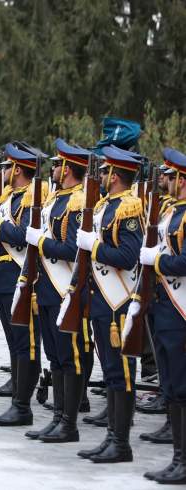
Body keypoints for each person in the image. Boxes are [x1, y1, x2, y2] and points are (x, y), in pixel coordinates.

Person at [75, 145, 143, 461]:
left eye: (104, 171)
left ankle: (121, 443)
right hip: (102, 298)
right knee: (111, 371)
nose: (100, 176)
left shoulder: (128, 208)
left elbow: (128, 258)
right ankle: (112, 437)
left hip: (117, 301)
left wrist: (95, 247)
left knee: (121, 372)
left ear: (115, 175)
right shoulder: (107, 205)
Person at [23, 138, 90, 442]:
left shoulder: (76, 201)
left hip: (65, 288)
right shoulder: (57, 198)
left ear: (68, 169)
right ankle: (58, 417)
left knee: (67, 355)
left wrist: (41, 242)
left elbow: (71, 249)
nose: (53, 169)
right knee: (55, 356)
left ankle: (69, 424)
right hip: (47, 289)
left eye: (58, 164)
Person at [0, 143, 46, 425]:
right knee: (14, 341)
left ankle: (22, 406)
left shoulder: (31, 198)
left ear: (18, 169)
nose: (4, 172)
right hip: (4, 279)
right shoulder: (12, 197)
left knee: (26, 344)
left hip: (20, 279)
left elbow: (23, 237)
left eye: (7, 167)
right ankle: (17, 397)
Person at [138, 147, 186, 484]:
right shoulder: (173, 212)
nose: (165, 182)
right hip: (164, 308)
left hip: (180, 311)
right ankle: (177, 458)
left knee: (182, 387)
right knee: (170, 385)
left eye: (170, 177)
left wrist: (156, 261)